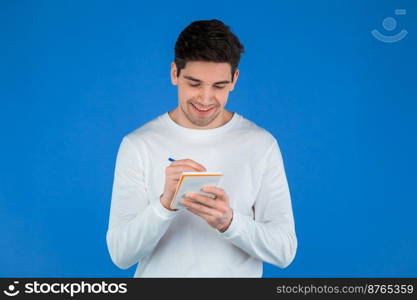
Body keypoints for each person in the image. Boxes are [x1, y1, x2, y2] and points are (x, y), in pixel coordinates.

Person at [106, 19, 297, 277]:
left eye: (218, 86)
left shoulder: (260, 144)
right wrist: (164, 205)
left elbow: (284, 251)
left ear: (234, 79)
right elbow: (121, 255)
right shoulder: (138, 145)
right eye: (194, 83)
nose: (205, 99)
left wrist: (230, 222)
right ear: (175, 73)